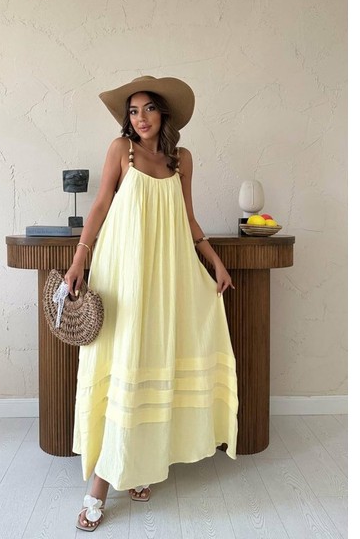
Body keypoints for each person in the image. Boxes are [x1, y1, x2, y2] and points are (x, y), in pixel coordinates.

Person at [64, 75, 239, 532]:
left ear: (164, 113)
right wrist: (80, 258)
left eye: (148, 109)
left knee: (152, 361)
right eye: (133, 111)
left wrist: (215, 262)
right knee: (126, 361)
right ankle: (100, 487)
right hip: (124, 274)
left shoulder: (182, 160)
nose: (140, 118)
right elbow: (100, 205)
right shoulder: (120, 150)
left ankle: (140, 465)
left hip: (166, 276)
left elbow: (188, 218)